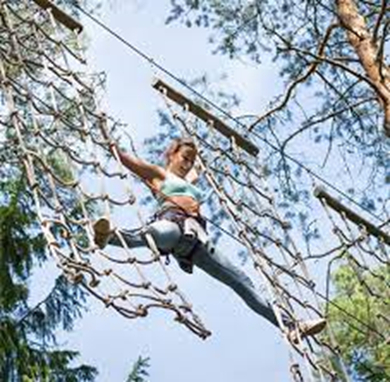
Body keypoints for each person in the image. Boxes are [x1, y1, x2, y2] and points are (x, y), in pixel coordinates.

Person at [93, 136, 326, 342]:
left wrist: (202, 155)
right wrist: (110, 143)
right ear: (172, 155)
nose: (187, 163)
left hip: (198, 242)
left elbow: (195, 172)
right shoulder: (160, 175)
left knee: (241, 281)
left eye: (191, 161)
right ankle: (109, 236)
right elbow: (134, 164)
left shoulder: (189, 181)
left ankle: (291, 326)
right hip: (173, 224)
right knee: (157, 233)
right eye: (184, 157)